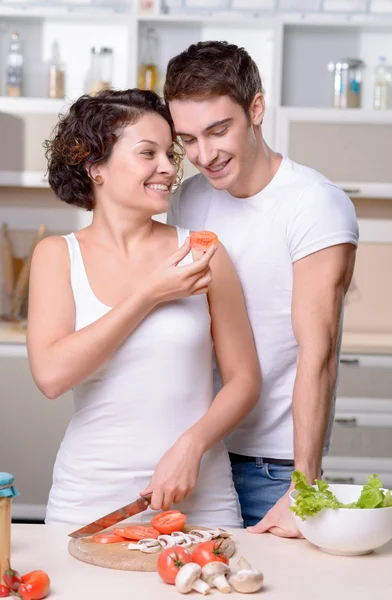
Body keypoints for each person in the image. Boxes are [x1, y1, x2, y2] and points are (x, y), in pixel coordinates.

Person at [27, 88, 261, 527]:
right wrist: (148, 294)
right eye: (147, 153)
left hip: (200, 492)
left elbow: (244, 380)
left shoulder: (203, 252)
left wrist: (191, 447)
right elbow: (52, 376)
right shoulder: (57, 255)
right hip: (91, 496)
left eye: (170, 154)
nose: (170, 168)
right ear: (95, 165)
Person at [164, 41, 359, 536]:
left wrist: (304, 484)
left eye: (217, 130)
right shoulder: (188, 198)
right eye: (187, 139)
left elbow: (319, 353)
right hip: (197, 452)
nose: (204, 155)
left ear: (256, 109)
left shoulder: (314, 204)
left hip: (270, 467)